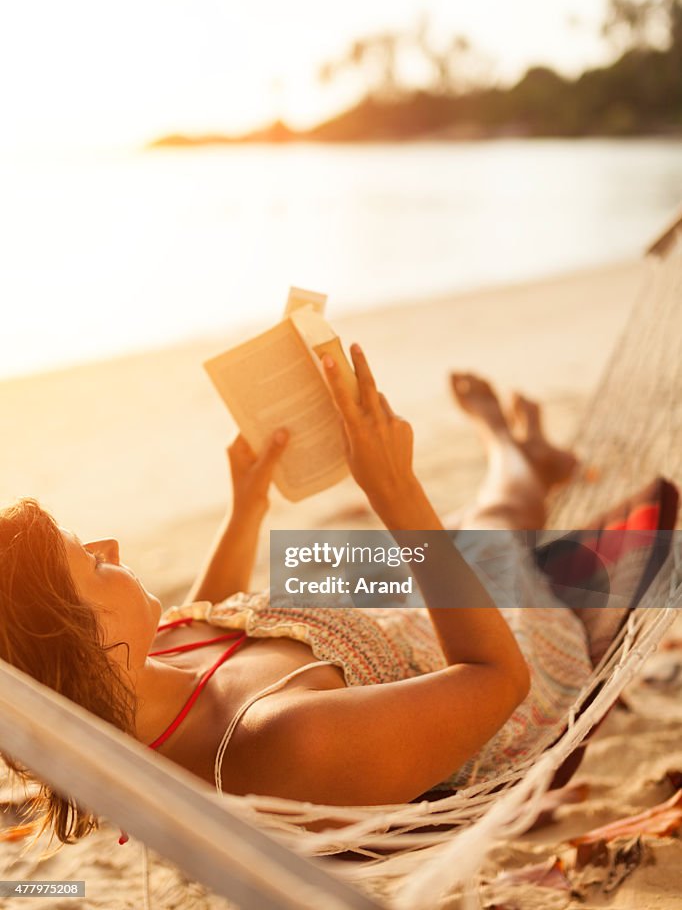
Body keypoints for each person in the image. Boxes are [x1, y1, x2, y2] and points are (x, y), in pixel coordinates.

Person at [0, 345, 590, 845]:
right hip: (501, 666)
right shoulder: (279, 742)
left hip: (388, 607)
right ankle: (505, 444)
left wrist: (247, 506)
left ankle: (524, 454)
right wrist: (395, 487)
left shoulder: (137, 681)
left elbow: (205, 620)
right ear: (90, 644)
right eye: (94, 562)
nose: (113, 545)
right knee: (494, 523)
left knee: (421, 542)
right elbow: (497, 679)